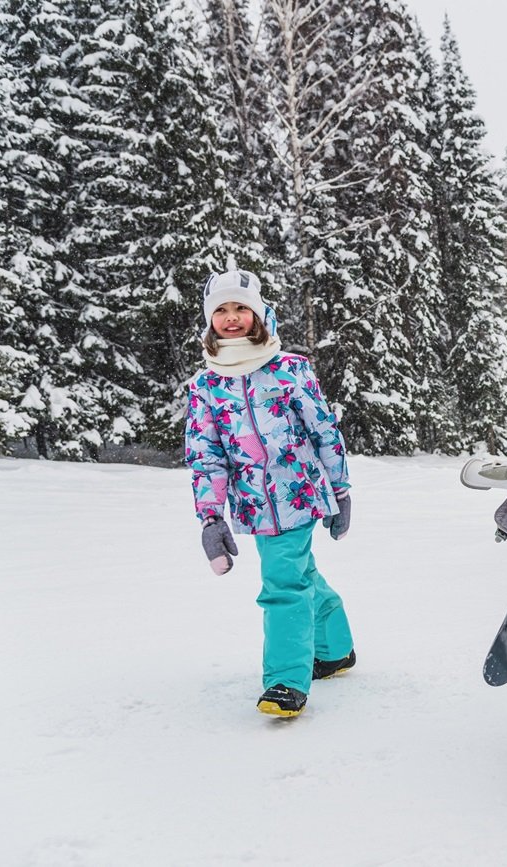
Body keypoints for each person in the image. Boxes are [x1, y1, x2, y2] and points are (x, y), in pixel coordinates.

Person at [184, 269, 356, 718]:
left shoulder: (289, 369)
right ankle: (334, 647)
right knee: (299, 573)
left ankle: (285, 682)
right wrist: (211, 516)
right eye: (220, 310)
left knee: (282, 585)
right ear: (209, 321)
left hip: (298, 493)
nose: (232, 317)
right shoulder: (206, 386)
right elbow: (206, 456)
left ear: (258, 313)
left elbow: (324, 431)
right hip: (254, 504)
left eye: (240, 307)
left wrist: (340, 489)